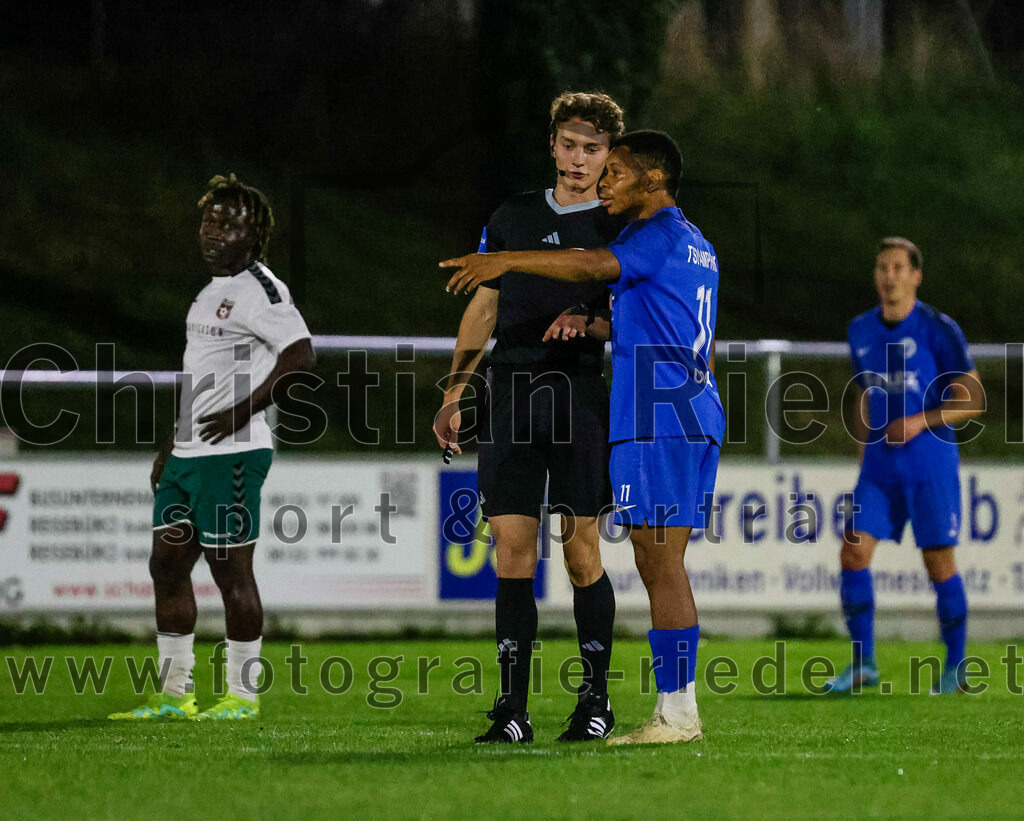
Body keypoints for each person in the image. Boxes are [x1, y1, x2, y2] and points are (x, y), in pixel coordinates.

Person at [442, 130, 724, 744]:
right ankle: (676, 712)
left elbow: (595, 265)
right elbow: (653, 316)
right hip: (694, 412)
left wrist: (507, 259)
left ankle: (677, 717)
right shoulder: (696, 244)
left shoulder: (653, 235)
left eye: (617, 172)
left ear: (652, 180)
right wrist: (593, 321)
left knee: (659, 563)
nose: (604, 182)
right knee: (663, 562)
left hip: (656, 416)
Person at [433, 91, 626, 743]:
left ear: (608, 156)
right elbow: (485, 307)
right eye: (569, 144)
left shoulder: (619, 226)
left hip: (577, 392)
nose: (578, 158)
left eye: (592, 148)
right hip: (511, 390)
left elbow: (632, 316)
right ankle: (512, 709)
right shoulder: (512, 216)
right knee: (512, 552)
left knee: (579, 551)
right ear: (552, 144)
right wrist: (455, 389)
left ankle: (594, 701)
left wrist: (593, 321)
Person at [110, 174, 315, 720]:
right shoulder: (207, 294)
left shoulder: (263, 290)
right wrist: (170, 445)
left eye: (230, 224)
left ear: (256, 236)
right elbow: (197, 376)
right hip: (189, 453)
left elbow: (300, 357)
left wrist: (242, 410)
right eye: (210, 220)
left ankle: (242, 698)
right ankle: (176, 696)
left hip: (235, 453)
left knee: (230, 571)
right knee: (167, 565)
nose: (215, 232)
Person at [825, 237, 984, 695]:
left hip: (928, 461)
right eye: (882, 267)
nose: (889, 275)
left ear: (916, 276)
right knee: (852, 551)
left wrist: (921, 420)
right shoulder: (860, 329)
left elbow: (972, 398)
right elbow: (864, 393)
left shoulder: (937, 327)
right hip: (879, 466)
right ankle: (862, 664)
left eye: (898, 267)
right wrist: (863, 450)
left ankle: (956, 668)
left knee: (938, 563)